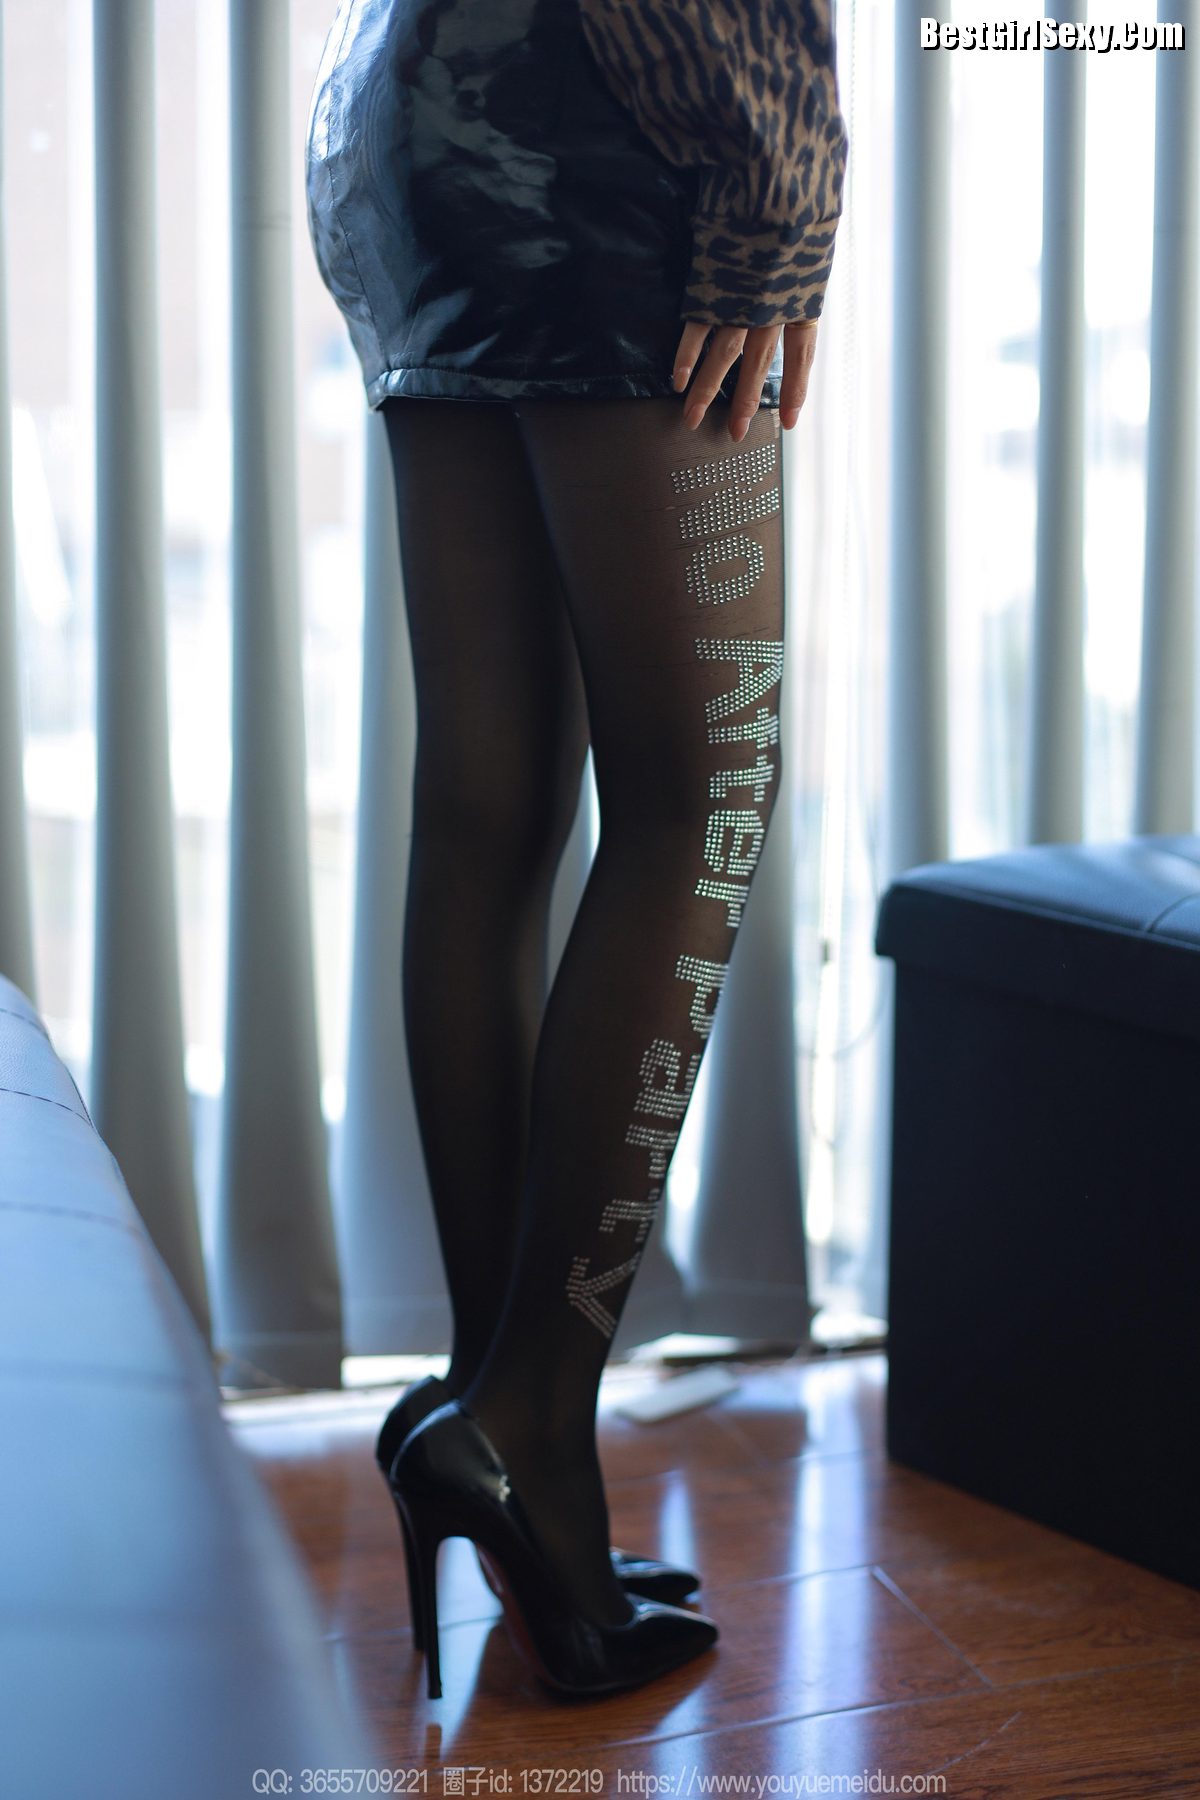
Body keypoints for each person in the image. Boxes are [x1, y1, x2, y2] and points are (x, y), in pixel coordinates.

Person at [304, 0, 847, 1701]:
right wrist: (772, 195)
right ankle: (525, 1420)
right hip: (616, 123)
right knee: (705, 791)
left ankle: (504, 1429)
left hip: (407, 123)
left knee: (490, 807)